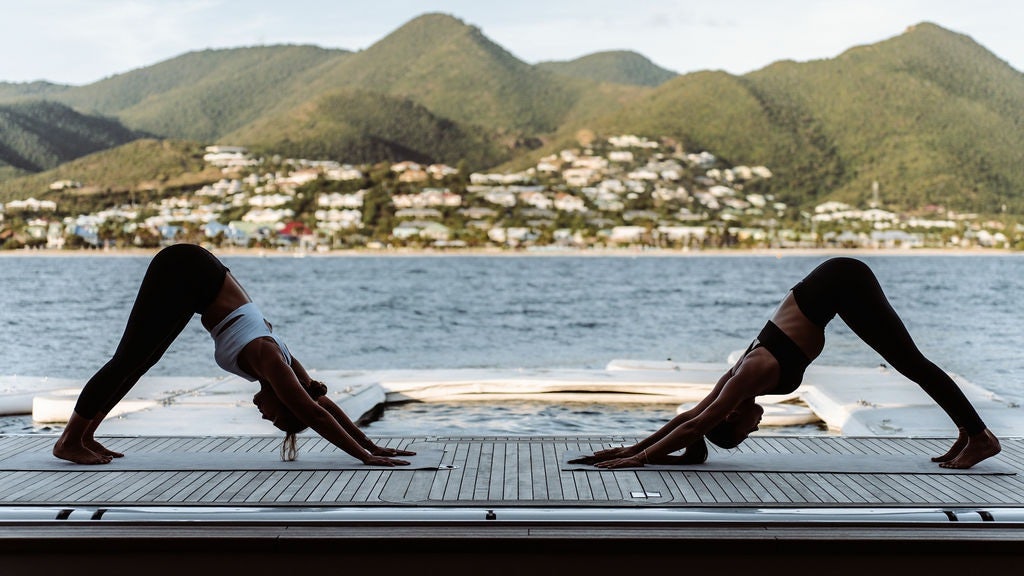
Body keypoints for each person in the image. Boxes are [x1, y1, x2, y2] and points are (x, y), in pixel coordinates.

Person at [571, 257, 1001, 470]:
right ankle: (968, 431)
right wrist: (634, 449)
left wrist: (636, 460)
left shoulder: (750, 377)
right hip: (833, 285)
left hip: (842, 281)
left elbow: (694, 427)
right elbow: (693, 420)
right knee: (910, 363)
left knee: (910, 363)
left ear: (732, 416)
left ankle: (979, 436)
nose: (754, 428)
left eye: (743, 431)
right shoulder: (738, 380)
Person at [53, 243, 414, 466]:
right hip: (185, 270)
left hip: (197, 282)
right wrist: (364, 456)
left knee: (140, 361)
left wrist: (372, 442)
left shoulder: (280, 366)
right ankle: (70, 440)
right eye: (275, 419)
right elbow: (314, 413)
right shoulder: (271, 362)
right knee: (129, 359)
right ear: (284, 402)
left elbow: (318, 401)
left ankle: (83, 436)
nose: (264, 417)